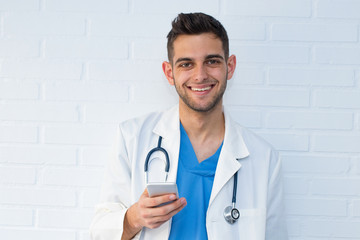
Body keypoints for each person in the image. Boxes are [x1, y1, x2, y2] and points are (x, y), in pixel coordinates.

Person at [90, 12, 288, 240]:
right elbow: (98, 232)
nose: (200, 75)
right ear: (169, 72)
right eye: (186, 64)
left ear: (230, 67)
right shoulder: (132, 138)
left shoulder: (264, 158)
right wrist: (134, 217)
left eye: (212, 61)